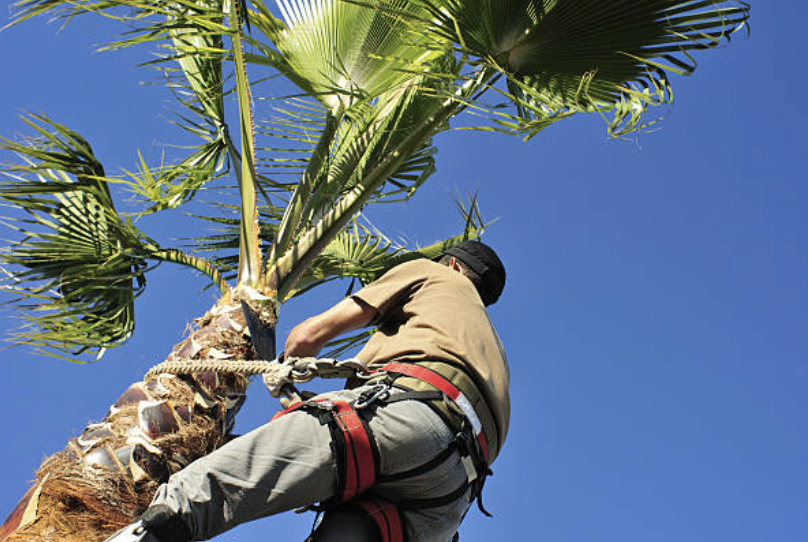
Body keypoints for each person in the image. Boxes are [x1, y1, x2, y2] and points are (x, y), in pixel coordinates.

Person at [106, 240, 509, 542]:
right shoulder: (495, 354)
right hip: (448, 500)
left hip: (405, 419)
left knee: (206, 492)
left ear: (453, 263)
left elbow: (310, 335)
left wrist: (287, 363)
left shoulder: (434, 274)